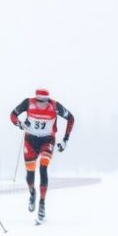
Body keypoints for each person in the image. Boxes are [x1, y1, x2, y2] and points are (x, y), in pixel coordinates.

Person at [10, 88, 75, 221]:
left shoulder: (55, 106)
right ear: (35, 99)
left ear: (48, 100)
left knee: (43, 167)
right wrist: (20, 124)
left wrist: (65, 140)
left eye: (45, 101)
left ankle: (42, 204)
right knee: (30, 172)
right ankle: (32, 193)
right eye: (40, 101)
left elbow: (71, 118)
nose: (42, 104)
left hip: (47, 140)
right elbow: (12, 115)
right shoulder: (28, 103)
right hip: (30, 141)